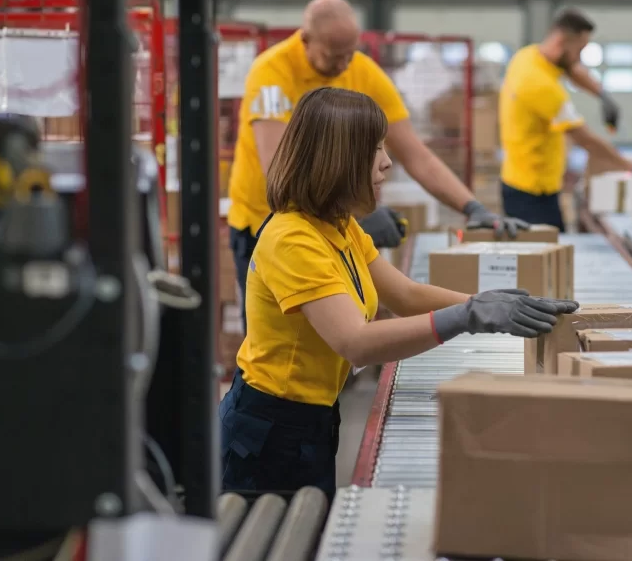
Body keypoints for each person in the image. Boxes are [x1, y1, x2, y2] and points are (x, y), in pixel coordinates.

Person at [219, 87, 578, 499]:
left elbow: (403, 294)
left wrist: (487, 304)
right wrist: (466, 318)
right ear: (339, 159)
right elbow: (356, 343)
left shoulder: (338, 225)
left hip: (311, 418)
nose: (387, 162)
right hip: (268, 429)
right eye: (374, 150)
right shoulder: (292, 239)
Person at [226, 0, 527, 332]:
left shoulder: (361, 70)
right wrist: (362, 210)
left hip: (330, 220)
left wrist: (472, 207)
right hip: (264, 220)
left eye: (350, 53)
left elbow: (416, 154)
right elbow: (279, 167)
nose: (344, 64)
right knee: (283, 333)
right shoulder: (272, 73)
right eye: (334, 55)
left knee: (331, 332)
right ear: (306, 39)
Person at [499, 8, 632, 231]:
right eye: (579, 50)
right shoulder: (542, 86)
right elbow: (585, 139)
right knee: (545, 257)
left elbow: (572, 69)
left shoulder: (528, 56)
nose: (580, 58)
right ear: (562, 41)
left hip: (523, 181)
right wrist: (629, 166)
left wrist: (602, 95)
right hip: (532, 193)